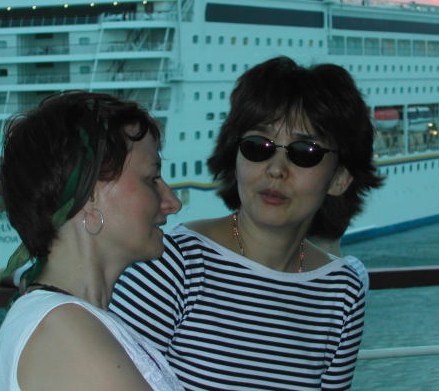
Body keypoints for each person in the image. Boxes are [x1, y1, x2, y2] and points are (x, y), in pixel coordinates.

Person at [110, 57, 383, 390]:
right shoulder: (175, 266)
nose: (276, 169)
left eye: (305, 151)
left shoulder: (342, 290)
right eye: (258, 147)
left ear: (339, 178)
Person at [0, 91, 184, 391]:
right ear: (89, 197)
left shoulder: (66, 322)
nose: (172, 203)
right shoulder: (65, 333)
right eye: (151, 178)